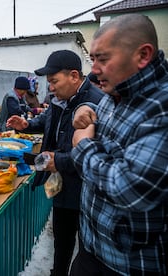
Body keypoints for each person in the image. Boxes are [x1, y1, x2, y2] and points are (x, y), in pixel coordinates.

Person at [70, 14, 168, 275]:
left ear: (143, 56)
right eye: (93, 60)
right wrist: (84, 108)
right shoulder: (116, 91)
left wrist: (83, 147)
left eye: (103, 59)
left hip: (127, 264)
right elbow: (102, 118)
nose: (95, 70)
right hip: (91, 246)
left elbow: (128, 189)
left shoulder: (161, 109)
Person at [6, 50, 104, 276]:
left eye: (53, 81)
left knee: (87, 248)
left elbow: (96, 153)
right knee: (62, 239)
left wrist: (58, 160)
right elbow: (49, 119)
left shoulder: (96, 103)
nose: (50, 87)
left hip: (85, 190)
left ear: (74, 76)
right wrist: (26, 125)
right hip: (63, 185)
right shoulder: (61, 98)